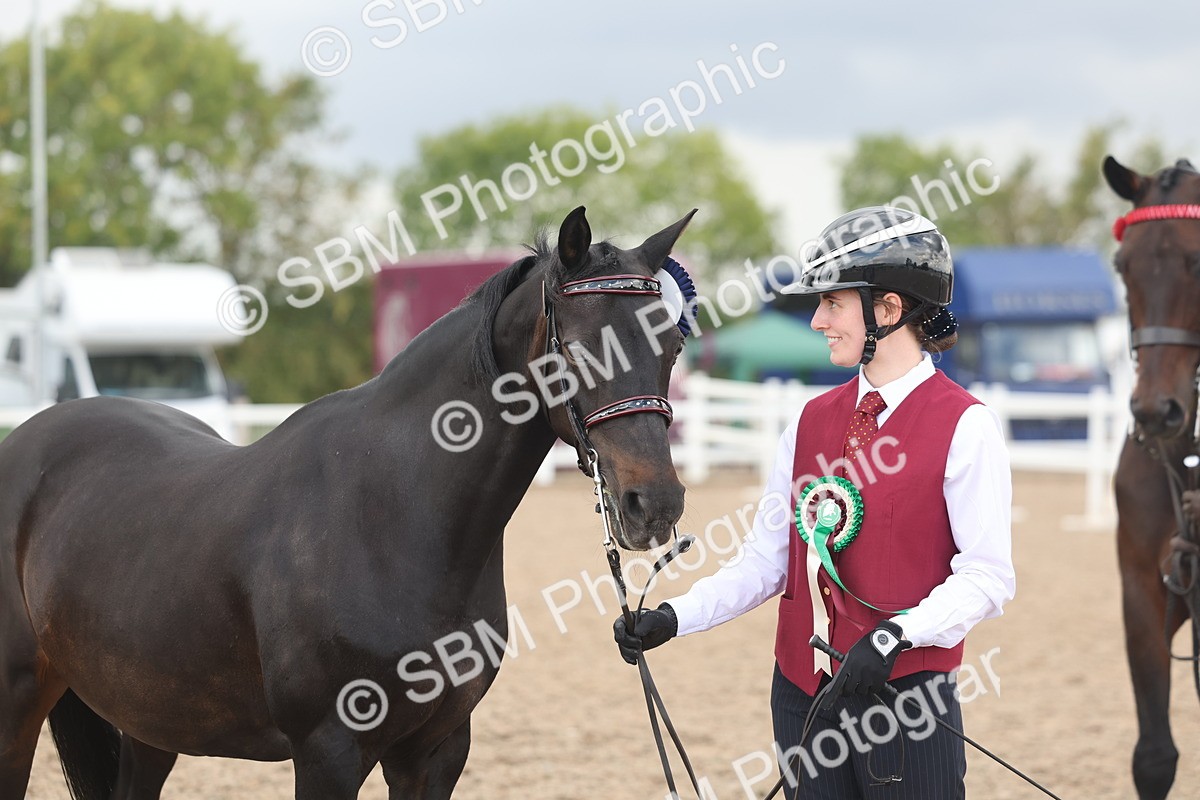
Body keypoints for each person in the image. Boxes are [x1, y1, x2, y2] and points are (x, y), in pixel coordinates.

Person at [614, 206, 1016, 799]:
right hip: (803, 697)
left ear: (888, 309)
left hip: (904, 699)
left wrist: (895, 636)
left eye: (832, 303)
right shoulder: (808, 422)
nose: (817, 320)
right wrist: (676, 617)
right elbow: (766, 562)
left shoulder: (966, 426)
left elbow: (987, 576)